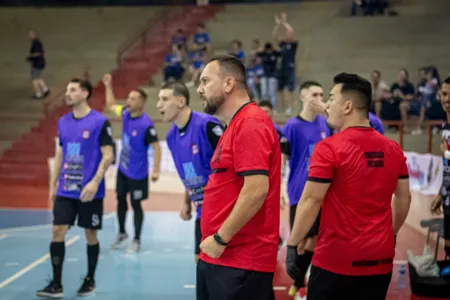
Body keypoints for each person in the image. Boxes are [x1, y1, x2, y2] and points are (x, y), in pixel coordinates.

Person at [286, 73, 411, 300]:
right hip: (379, 261)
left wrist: (293, 244)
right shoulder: (393, 148)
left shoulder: (329, 148)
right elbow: (403, 198)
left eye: (331, 99)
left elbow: (312, 200)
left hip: (336, 262)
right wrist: (391, 233)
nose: (327, 105)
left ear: (347, 106)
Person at [196, 54, 281, 300]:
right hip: (222, 259)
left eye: (205, 81)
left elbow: (256, 190)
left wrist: (221, 239)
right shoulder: (234, 125)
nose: (200, 90)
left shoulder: (250, 123)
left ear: (228, 84)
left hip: (239, 263)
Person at [37, 79, 115, 298]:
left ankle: (90, 279)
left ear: (84, 93)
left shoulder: (100, 122)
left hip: (90, 191)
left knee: (90, 234)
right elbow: (60, 154)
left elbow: (108, 155)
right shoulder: (63, 122)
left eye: (72, 90)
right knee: (57, 230)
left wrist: (95, 181)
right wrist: (53, 185)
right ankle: (56, 284)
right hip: (66, 189)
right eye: (67, 89)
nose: (67, 93)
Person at [156, 82, 224, 262]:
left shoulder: (207, 125)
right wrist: (186, 201)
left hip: (223, 210)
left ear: (180, 101)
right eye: (158, 99)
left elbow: (233, 165)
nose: (158, 105)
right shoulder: (171, 137)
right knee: (200, 260)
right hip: (202, 210)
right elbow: (188, 172)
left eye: (164, 99)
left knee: (218, 265)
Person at [281, 81, 332, 299]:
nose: (319, 97)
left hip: (322, 193)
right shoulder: (292, 126)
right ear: (303, 97)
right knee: (300, 240)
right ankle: (299, 278)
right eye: (314, 94)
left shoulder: (326, 123)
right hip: (298, 193)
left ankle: (299, 281)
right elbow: (282, 160)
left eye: (322, 94)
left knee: (314, 239)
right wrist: (280, 190)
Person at [101, 74, 161, 253]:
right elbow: (111, 105)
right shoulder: (126, 114)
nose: (128, 100)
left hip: (138, 174)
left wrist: (156, 170)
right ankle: (121, 232)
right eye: (128, 97)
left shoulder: (146, 125)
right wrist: (108, 85)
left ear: (141, 103)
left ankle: (136, 239)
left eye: (133, 98)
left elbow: (157, 148)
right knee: (120, 200)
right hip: (123, 169)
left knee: (136, 205)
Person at [258, 100, 288, 248]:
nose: (264, 114)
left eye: (267, 111)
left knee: (271, 208)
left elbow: (283, 155)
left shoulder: (277, 131)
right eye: (261, 111)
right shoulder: (253, 129)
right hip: (256, 175)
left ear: (272, 113)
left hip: (272, 176)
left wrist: (280, 181)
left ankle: (273, 238)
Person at [431, 76, 450, 259]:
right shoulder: (445, 126)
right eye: (444, 94)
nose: (447, 99)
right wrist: (440, 193)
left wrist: (447, 154)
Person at [272, 12, 298, 115]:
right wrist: (278, 24)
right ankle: (281, 108)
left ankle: (291, 108)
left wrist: (284, 22)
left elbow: (291, 30)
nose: (288, 34)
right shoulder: (282, 44)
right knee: (280, 89)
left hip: (290, 68)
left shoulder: (293, 44)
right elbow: (274, 36)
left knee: (291, 89)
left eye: (289, 33)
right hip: (282, 68)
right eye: (286, 33)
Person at [27, 30, 50, 99]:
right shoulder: (37, 42)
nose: (29, 37)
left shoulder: (36, 43)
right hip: (40, 62)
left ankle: (38, 94)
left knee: (34, 79)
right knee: (38, 77)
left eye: (30, 35)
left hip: (37, 63)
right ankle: (46, 90)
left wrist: (30, 57)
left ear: (34, 35)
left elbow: (38, 53)